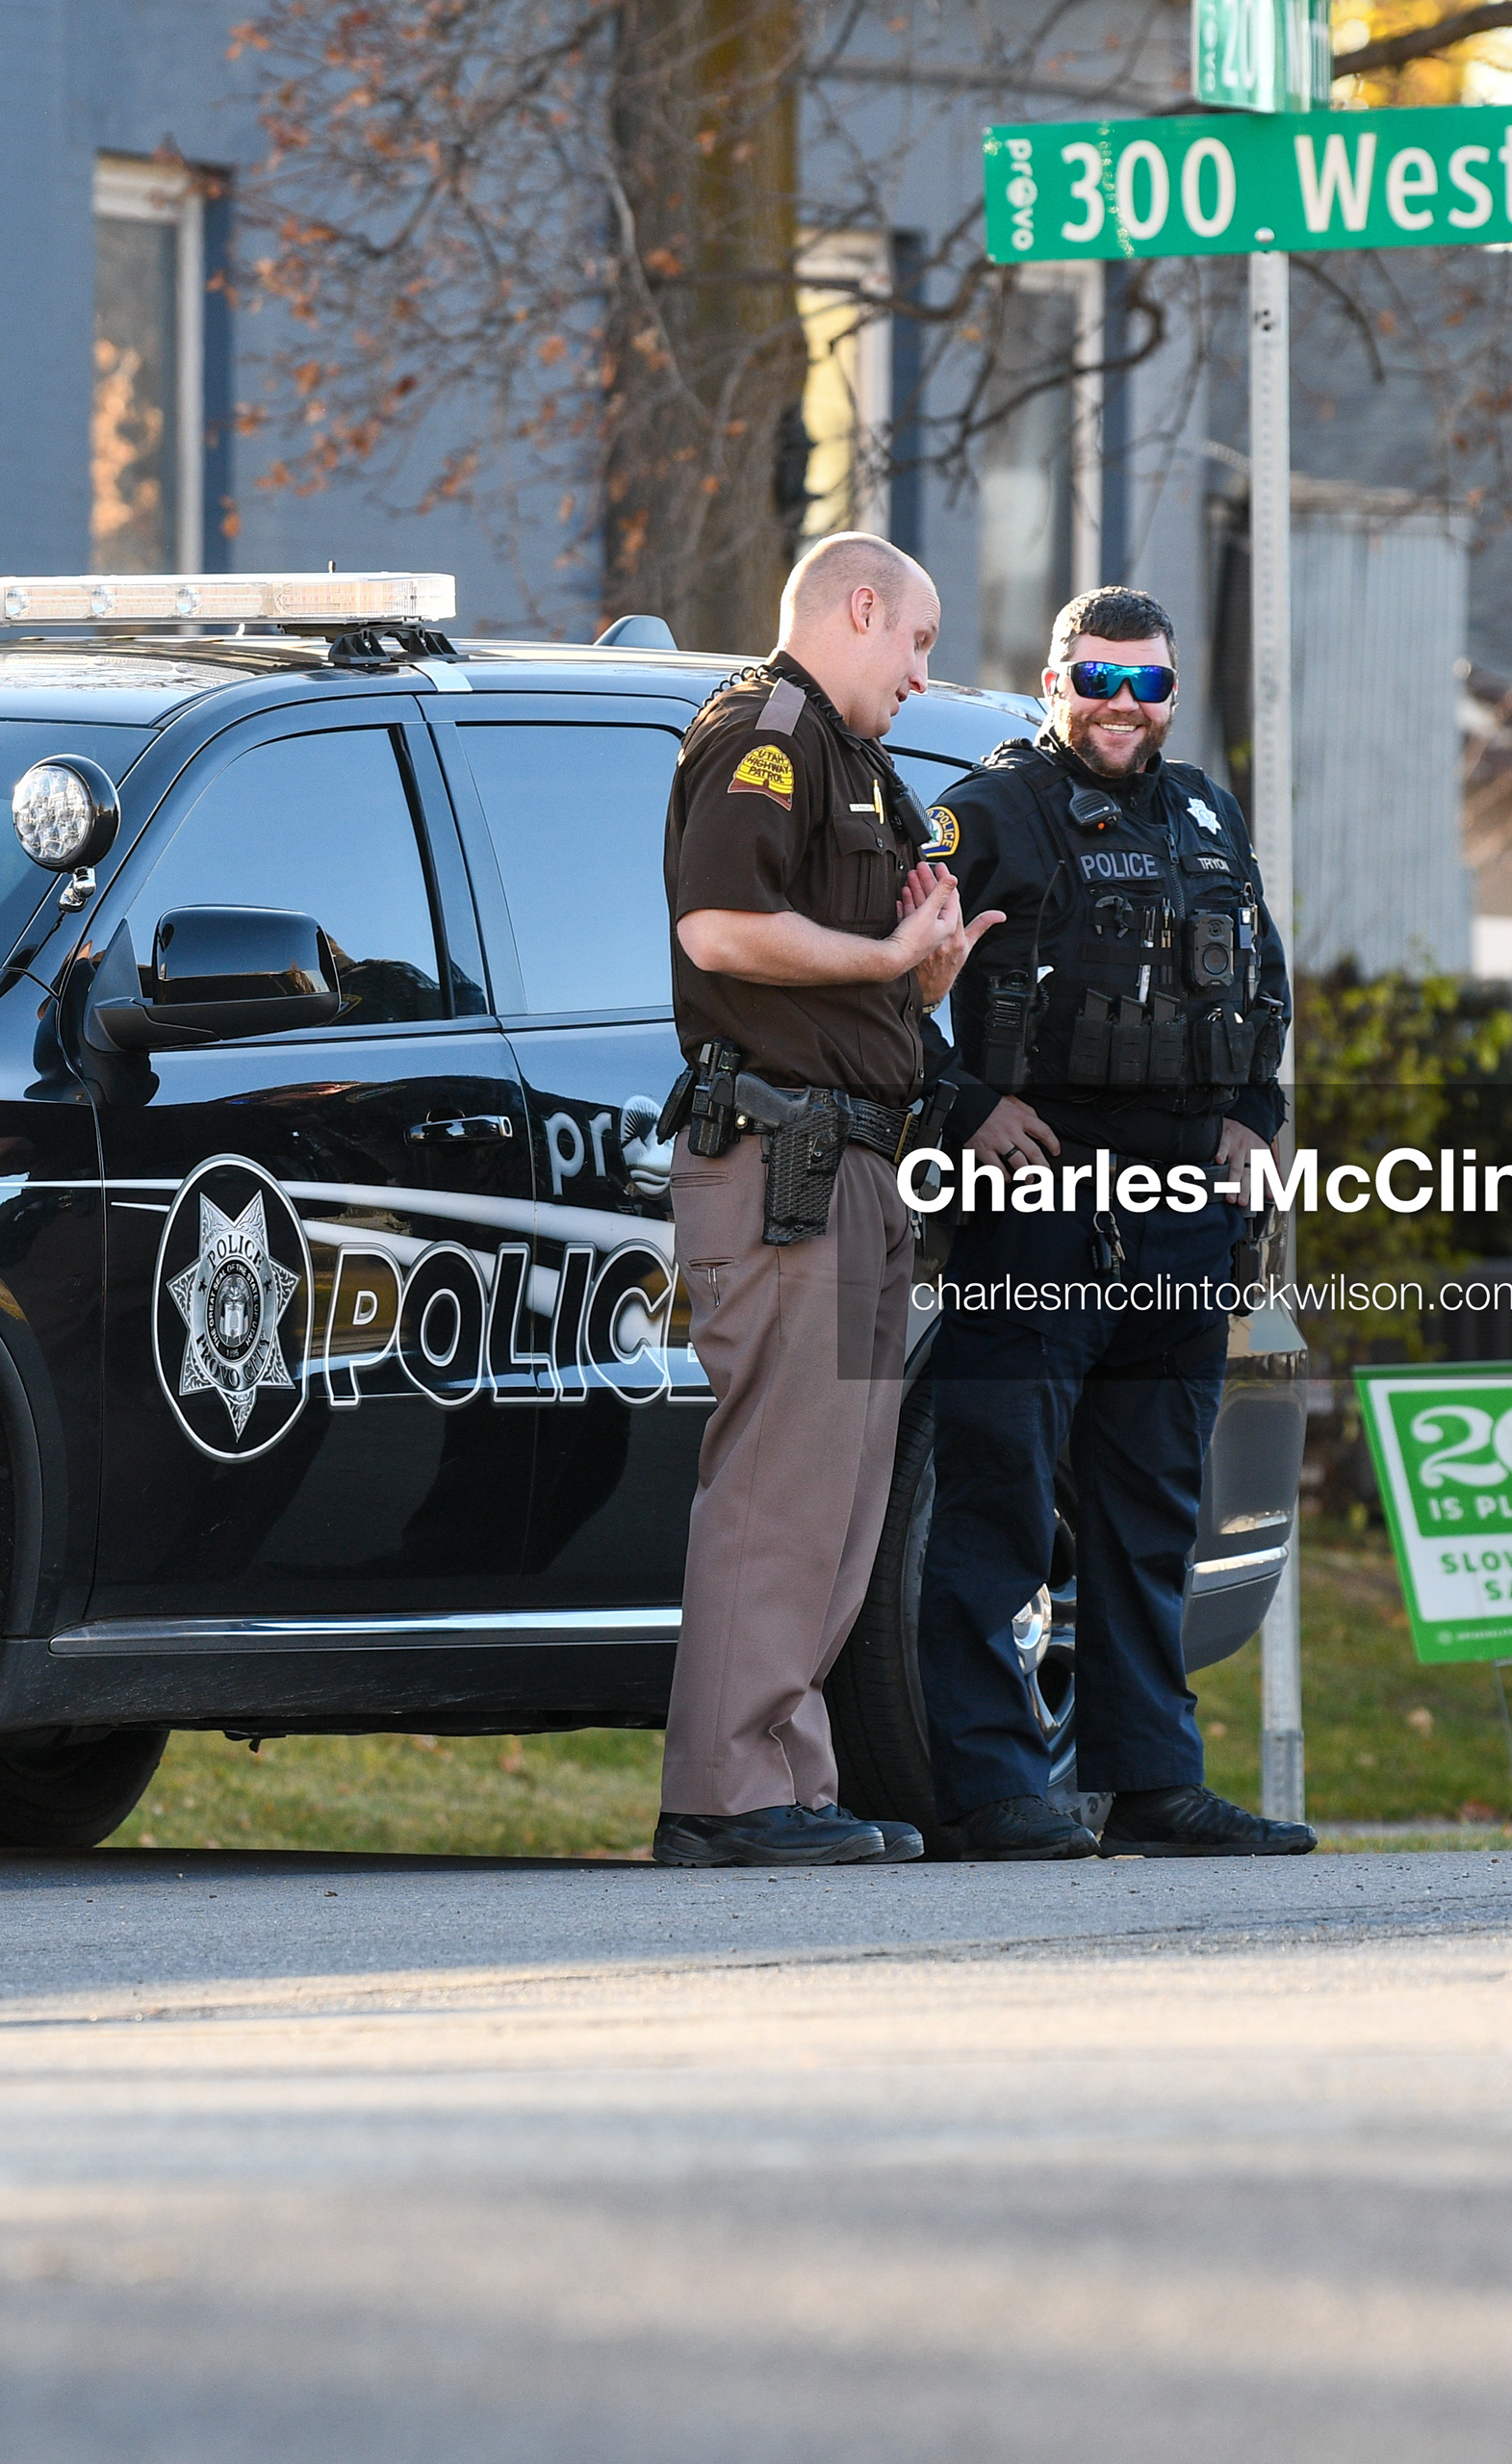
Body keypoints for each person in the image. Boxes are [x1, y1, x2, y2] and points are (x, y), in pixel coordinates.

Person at [911, 585, 1313, 1861]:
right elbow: (884, 985)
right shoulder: (984, 816)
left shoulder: (1205, 811)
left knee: (1150, 1520)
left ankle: (1151, 1779)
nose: (1121, 707)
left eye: (1145, 685)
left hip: (1184, 1215)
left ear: (1174, 694)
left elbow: (1262, 987)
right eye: (1098, 680)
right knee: (999, 1512)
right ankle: (988, 1788)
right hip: (1038, 1214)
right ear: (1052, 685)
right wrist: (961, 1102)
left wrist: (1253, 1119)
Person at [652, 532, 997, 1868]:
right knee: (780, 1487)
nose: (924, 670)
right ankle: (725, 1797)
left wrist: (922, 973)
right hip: (782, 1166)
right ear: (860, 609)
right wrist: (884, 950)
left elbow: (861, 967)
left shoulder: (859, 765)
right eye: (915, 638)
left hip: (858, 1160)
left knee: (843, 1499)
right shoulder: (766, 731)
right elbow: (718, 932)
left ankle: (789, 1780)